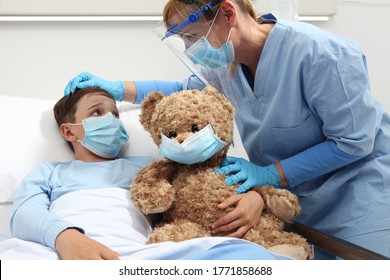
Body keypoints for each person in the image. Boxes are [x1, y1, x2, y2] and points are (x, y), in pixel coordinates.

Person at [63, 0, 390, 259]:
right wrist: (117, 88)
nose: (190, 48)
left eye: (191, 36)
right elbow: (185, 89)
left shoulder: (320, 53)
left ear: (228, 14)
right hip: (297, 206)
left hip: (362, 199)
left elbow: (352, 143)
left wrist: (270, 175)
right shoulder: (226, 64)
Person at [5, 86, 287, 260]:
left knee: (248, 258)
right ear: (69, 131)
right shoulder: (51, 172)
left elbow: (210, 179)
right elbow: (24, 215)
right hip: (59, 251)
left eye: (115, 114)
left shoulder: (150, 166)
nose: (111, 120)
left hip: (141, 256)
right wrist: (65, 238)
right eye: (96, 113)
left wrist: (256, 199)